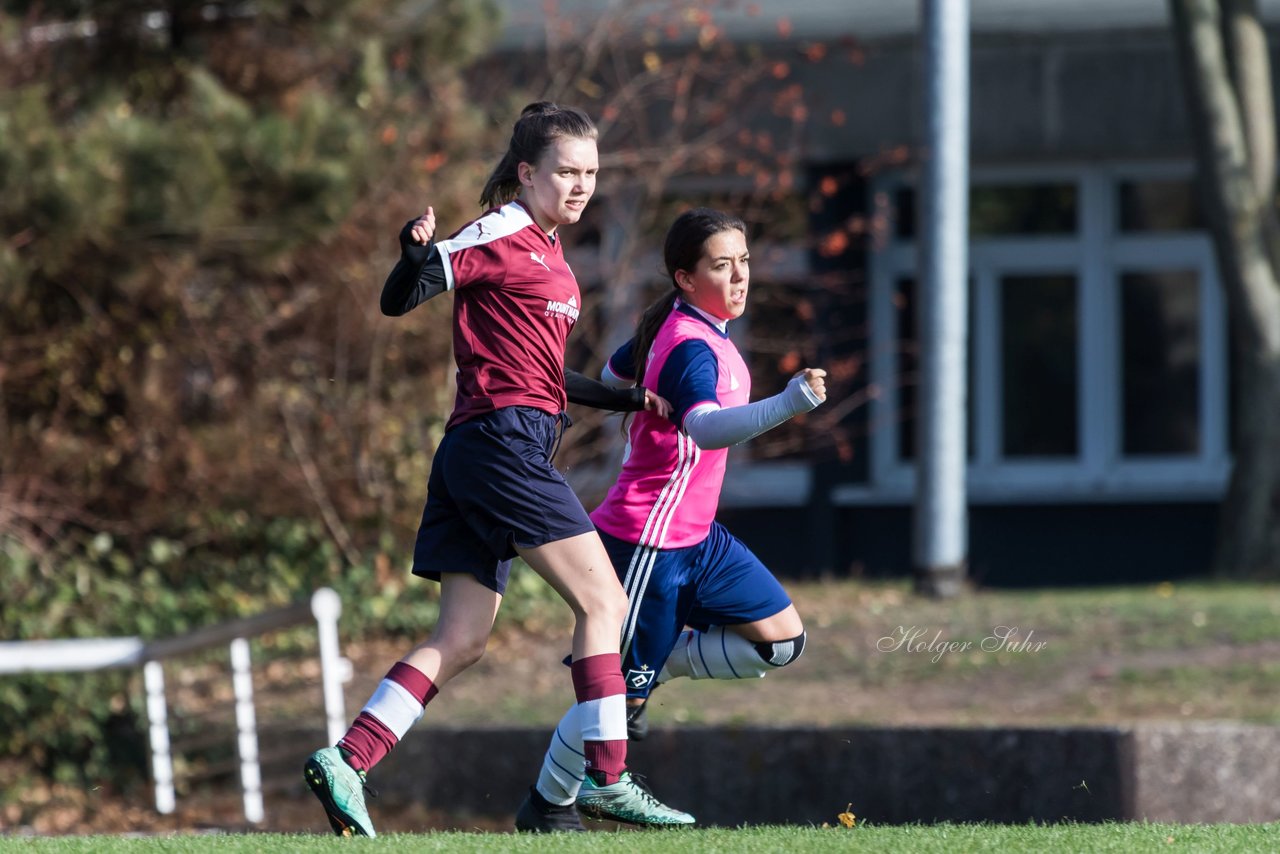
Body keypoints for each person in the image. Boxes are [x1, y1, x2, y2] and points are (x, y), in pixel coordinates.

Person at [302, 102, 689, 837]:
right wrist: (416, 253)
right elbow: (402, 296)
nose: (581, 185)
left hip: (481, 450)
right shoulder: (502, 229)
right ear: (527, 173)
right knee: (604, 602)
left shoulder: (551, 253)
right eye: (567, 172)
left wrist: (631, 397)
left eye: (591, 174)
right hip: (500, 445)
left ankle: (349, 758)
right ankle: (608, 776)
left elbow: (547, 372)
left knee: (464, 638)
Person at [514, 207, 827, 832]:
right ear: (686, 277)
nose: (739, 276)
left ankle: (659, 662)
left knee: (783, 641)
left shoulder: (686, 326)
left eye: (743, 262)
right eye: (721, 265)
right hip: (647, 542)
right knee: (615, 701)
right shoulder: (688, 343)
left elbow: (611, 374)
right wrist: (789, 403)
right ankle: (552, 804)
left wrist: (641, 404)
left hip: (697, 538)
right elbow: (704, 428)